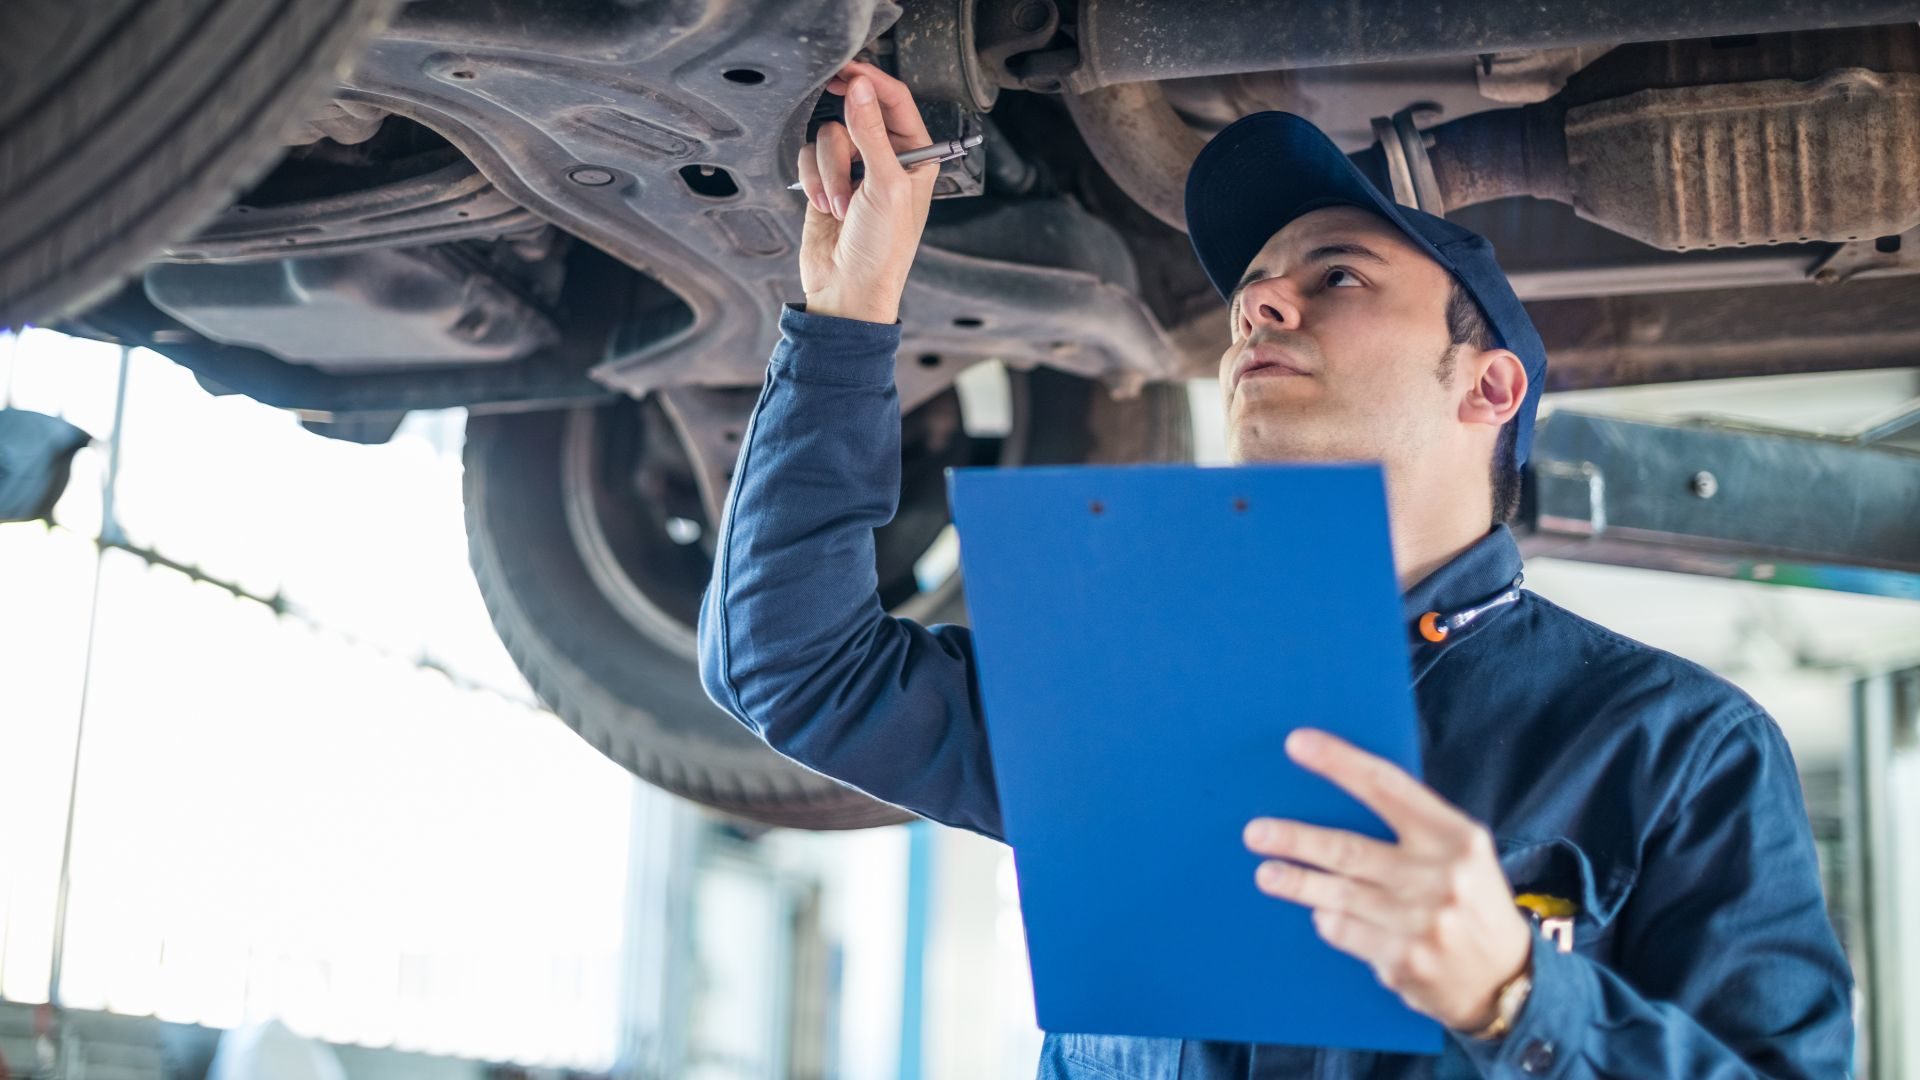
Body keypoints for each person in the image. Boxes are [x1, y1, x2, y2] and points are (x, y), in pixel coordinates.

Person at [697, 60, 1853, 1079]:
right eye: (1253, 285)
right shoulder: (1127, 692)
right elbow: (795, 668)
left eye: (1339, 275)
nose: (1256, 301)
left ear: (1489, 386)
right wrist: (845, 317)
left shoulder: (1676, 749)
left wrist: (1517, 996)